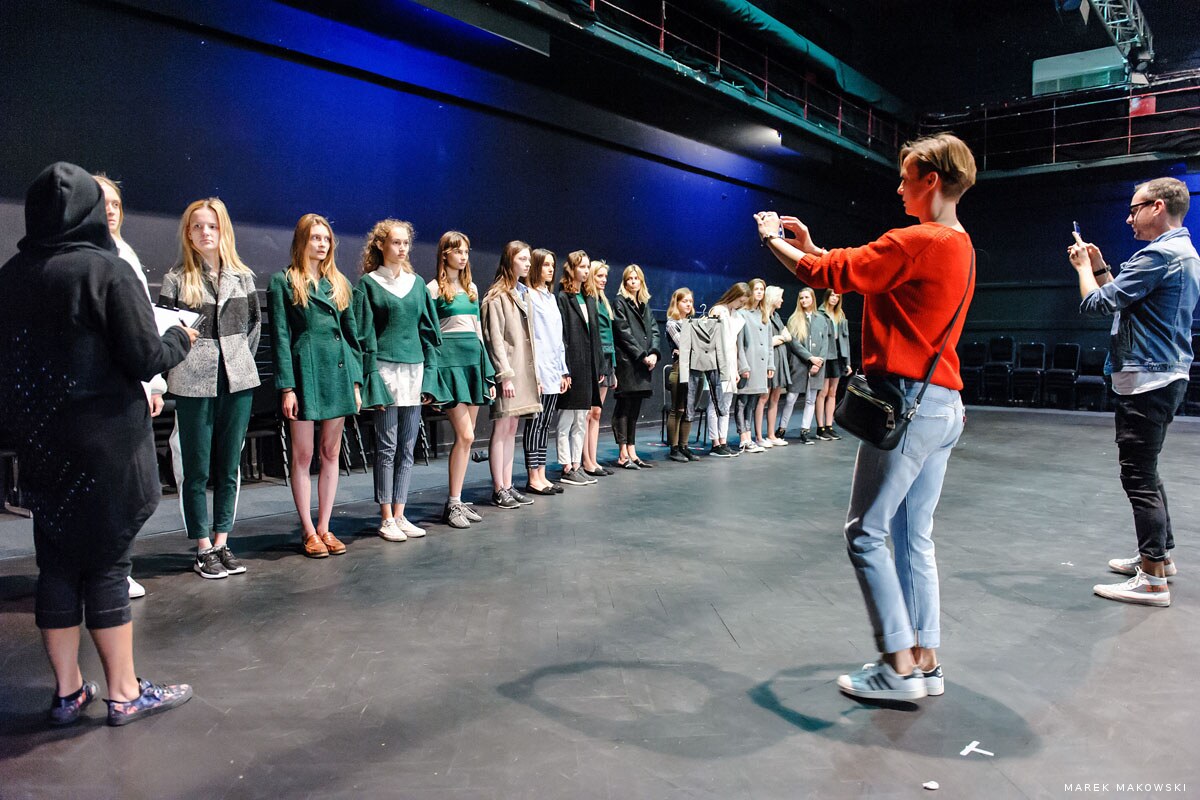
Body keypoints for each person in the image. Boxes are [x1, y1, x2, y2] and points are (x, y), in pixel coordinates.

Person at [756, 131, 977, 701]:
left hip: (906, 404)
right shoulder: (959, 244)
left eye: (906, 175)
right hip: (944, 406)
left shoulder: (916, 239)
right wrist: (811, 245)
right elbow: (860, 273)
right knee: (913, 534)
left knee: (864, 533)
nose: (899, 185)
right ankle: (925, 659)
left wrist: (774, 241)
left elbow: (826, 274)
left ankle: (896, 665)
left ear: (931, 180)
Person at [0, 162, 196, 726]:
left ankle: (67, 694)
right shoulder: (106, 271)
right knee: (109, 566)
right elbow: (146, 358)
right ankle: (124, 692)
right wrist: (179, 336)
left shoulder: (11, 276)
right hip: (106, 447)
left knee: (56, 566)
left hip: (43, 444)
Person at [1068, 177, 1200, 607]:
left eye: (1135, 208)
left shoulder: (1160, 255)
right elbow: (1123, 298)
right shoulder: (1181, 252)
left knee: (1138, 476)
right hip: (1163, 376)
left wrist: (1084, 270)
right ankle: (1159, 557)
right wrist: (1103, 265)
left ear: (1157, 207)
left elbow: (1098, 304)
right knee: (1148, 469)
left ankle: (1152, 579)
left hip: (1148, 379)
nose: (1129, 217)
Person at [159, 198, 261, 579]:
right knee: (196, 468)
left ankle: (222, 541)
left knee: (228, 466)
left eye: (212, 226)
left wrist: (236, 361)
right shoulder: (176, 278)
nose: (206, 232)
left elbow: (253, 330)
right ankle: (202, 546)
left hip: (237, 380)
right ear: (188, 232)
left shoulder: (243, 277)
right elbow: (167, 333)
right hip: (192, 380)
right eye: (198, 226)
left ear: (224, 231)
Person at [269, 214, 363, 558]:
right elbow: (280, 337)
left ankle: (325, 526)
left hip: (337, 374)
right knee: (303, 454)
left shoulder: (339, 283)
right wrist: (286, 388)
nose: (322, 244)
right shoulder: (283, 281)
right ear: (301, 241)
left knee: (330, 453)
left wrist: (356, 381)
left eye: (326, 238)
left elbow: (353, 339)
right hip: (305, 373)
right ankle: (308, 530)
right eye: (315, 238)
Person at [94, 174, 166, 599]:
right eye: (101, 201)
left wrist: (154, 382)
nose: (110, 210)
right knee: (107, 486)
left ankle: (115, 566)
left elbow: (145, 325)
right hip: (98, 391)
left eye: (116, 203)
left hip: (131, 385)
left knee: (132, 488)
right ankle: (106, 571)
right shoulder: (87, 255)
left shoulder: (126, 253)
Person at [354, 219, 441, 542]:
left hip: (414, 372)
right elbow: (364, 335)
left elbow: (428, 334)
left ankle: (401, 513)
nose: (401, 248)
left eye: (406, 243)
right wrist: (368, 378)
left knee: (408, 446)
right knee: (387, 447)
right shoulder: (369, 284)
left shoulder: (417, 284)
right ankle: (386, 516)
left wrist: (430, 377)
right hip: (385, 372)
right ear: (381, 245)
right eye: (395, 242)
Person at [426, 232, 496, 529]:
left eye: (466, 250)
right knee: (466, 435)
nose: (463, 256)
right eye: (458, 251)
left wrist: (487, 370)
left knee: (466, 440)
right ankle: (453, 503)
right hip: (449, 364)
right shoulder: (432, 289)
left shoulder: (471, 288)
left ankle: (456, 500)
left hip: (472, 362)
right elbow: (430, 333)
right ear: (445, 254)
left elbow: (479, 330)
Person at [481, 241, 542, 509]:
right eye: (522, 259)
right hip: (509, 371)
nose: (528, 263)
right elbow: (494, 337)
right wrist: (503, 374)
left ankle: (508, 484)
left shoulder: (522, 293)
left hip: (523, 371)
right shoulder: (496, 296)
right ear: (510, 261)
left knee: (513, 428)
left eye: (529, 259)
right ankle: (499, 488)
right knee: (502, 427)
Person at [523, 248, 570, 495]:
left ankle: (541, 472)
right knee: (535, 423)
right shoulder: (527, 295)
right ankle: (532, 476)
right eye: (545, 265)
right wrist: (534, 374)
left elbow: (557, 338)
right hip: (538, 368)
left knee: (546, 424)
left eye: (553, 265)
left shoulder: (550, 297)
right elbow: (531, 337)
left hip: (553, 367)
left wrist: (563, 371)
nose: (551, 269)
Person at [556, 250, 602, 486]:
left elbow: (595, 335)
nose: (585, 271)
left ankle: (577, 463)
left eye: (587, 267)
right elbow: (562, 334)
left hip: (588, 366)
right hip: (572, 364)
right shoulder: (563, 297)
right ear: (571, 269)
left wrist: (599, 365)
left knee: (581, 418)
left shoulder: (589, 298)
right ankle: (566, 465)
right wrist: (565, 368)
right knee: (566, 418)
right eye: (581, 266)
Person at [611, 264, 661, 468]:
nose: (633, 282)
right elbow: (623, 332)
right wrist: (642, 355)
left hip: (643, 364)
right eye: (629, 279)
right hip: (628, 362)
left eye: (636, 278)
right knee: (624, 407)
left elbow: (655, 331)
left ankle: (632, 449)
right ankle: (622, 453)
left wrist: (654, 354)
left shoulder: (644, 303)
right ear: (624, 281)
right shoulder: (620, 302)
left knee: (635, 408)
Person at [778, 287, 830, 445]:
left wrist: (819, 361)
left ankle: (805, 430)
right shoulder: (794, 319)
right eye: (801, 298)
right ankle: (781, 428)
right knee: (791, 398)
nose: (804, 300)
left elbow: (825, 343)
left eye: (807, 297)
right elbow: (794, 343)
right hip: (800, 364)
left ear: (812, 299)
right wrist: (810, 358)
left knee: (810, 399)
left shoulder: (821, 319)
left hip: (817, 366)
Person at [705, 282, 750, 457]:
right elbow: (711, 340)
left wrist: (735, 368)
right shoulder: (717, 311)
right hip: (716, 362)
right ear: (733, 296)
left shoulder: (736, 315)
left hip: (730, 362)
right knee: (715, 404)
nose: (741, 305)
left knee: (726, 404)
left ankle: (723, 440)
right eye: (740, 301)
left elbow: (734, 345)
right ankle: (715, 443)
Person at [582, 259, 616, 477]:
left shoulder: (603, 301)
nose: (603, 280)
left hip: (607, 357)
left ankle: (593, 459)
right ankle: (586, 460)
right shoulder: (589, 300)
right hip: (595, 359)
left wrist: (613, 366)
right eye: (599, 276)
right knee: (588, 413)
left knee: (597, 412)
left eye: (605, 276)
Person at [735, 278, 773, 452]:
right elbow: (739, 343)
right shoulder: (742, 314)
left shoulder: (764, 314)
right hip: (748, 365)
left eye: (762, 289)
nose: (759, 292)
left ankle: (749, 436)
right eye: (756, 289)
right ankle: (743, 437)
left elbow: (769, 344)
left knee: (752, 401)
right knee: (743, 400)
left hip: (761, 365)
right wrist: (743, 366)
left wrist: (770, 365)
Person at [664, 287, 700, 462]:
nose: (688, 304)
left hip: (694, 368)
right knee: (677, 409)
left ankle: (685, 446)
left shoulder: (693, 322)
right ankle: (674, 447)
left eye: (690, 301)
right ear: (677, 303)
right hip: (679, 369)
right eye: (684, 301)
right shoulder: (672, 323)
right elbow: (685, 344)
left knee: (688, 409)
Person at [816, 290, 852, 441]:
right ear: (826, 296)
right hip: (826, 355)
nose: (834, 299)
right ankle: (820, 427)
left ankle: (829, 425)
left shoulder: (841, 315)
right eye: (832, 295)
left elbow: (845, 339)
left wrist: (848, 362)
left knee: (833, 392)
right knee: (822, 392)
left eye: (837, 296)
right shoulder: (820, 314)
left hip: (838, 355)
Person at [764, 285, 791, 446]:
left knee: (775, 398)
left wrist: (780, 338)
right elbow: (768, 341)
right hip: (769, 360)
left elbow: (787, 337)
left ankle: (771, 435)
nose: (782, 300)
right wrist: (781, 338)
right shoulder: (764, 316)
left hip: (779, 359)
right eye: (780, 297)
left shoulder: (777, 316)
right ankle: (761, 436)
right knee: (764, 398)